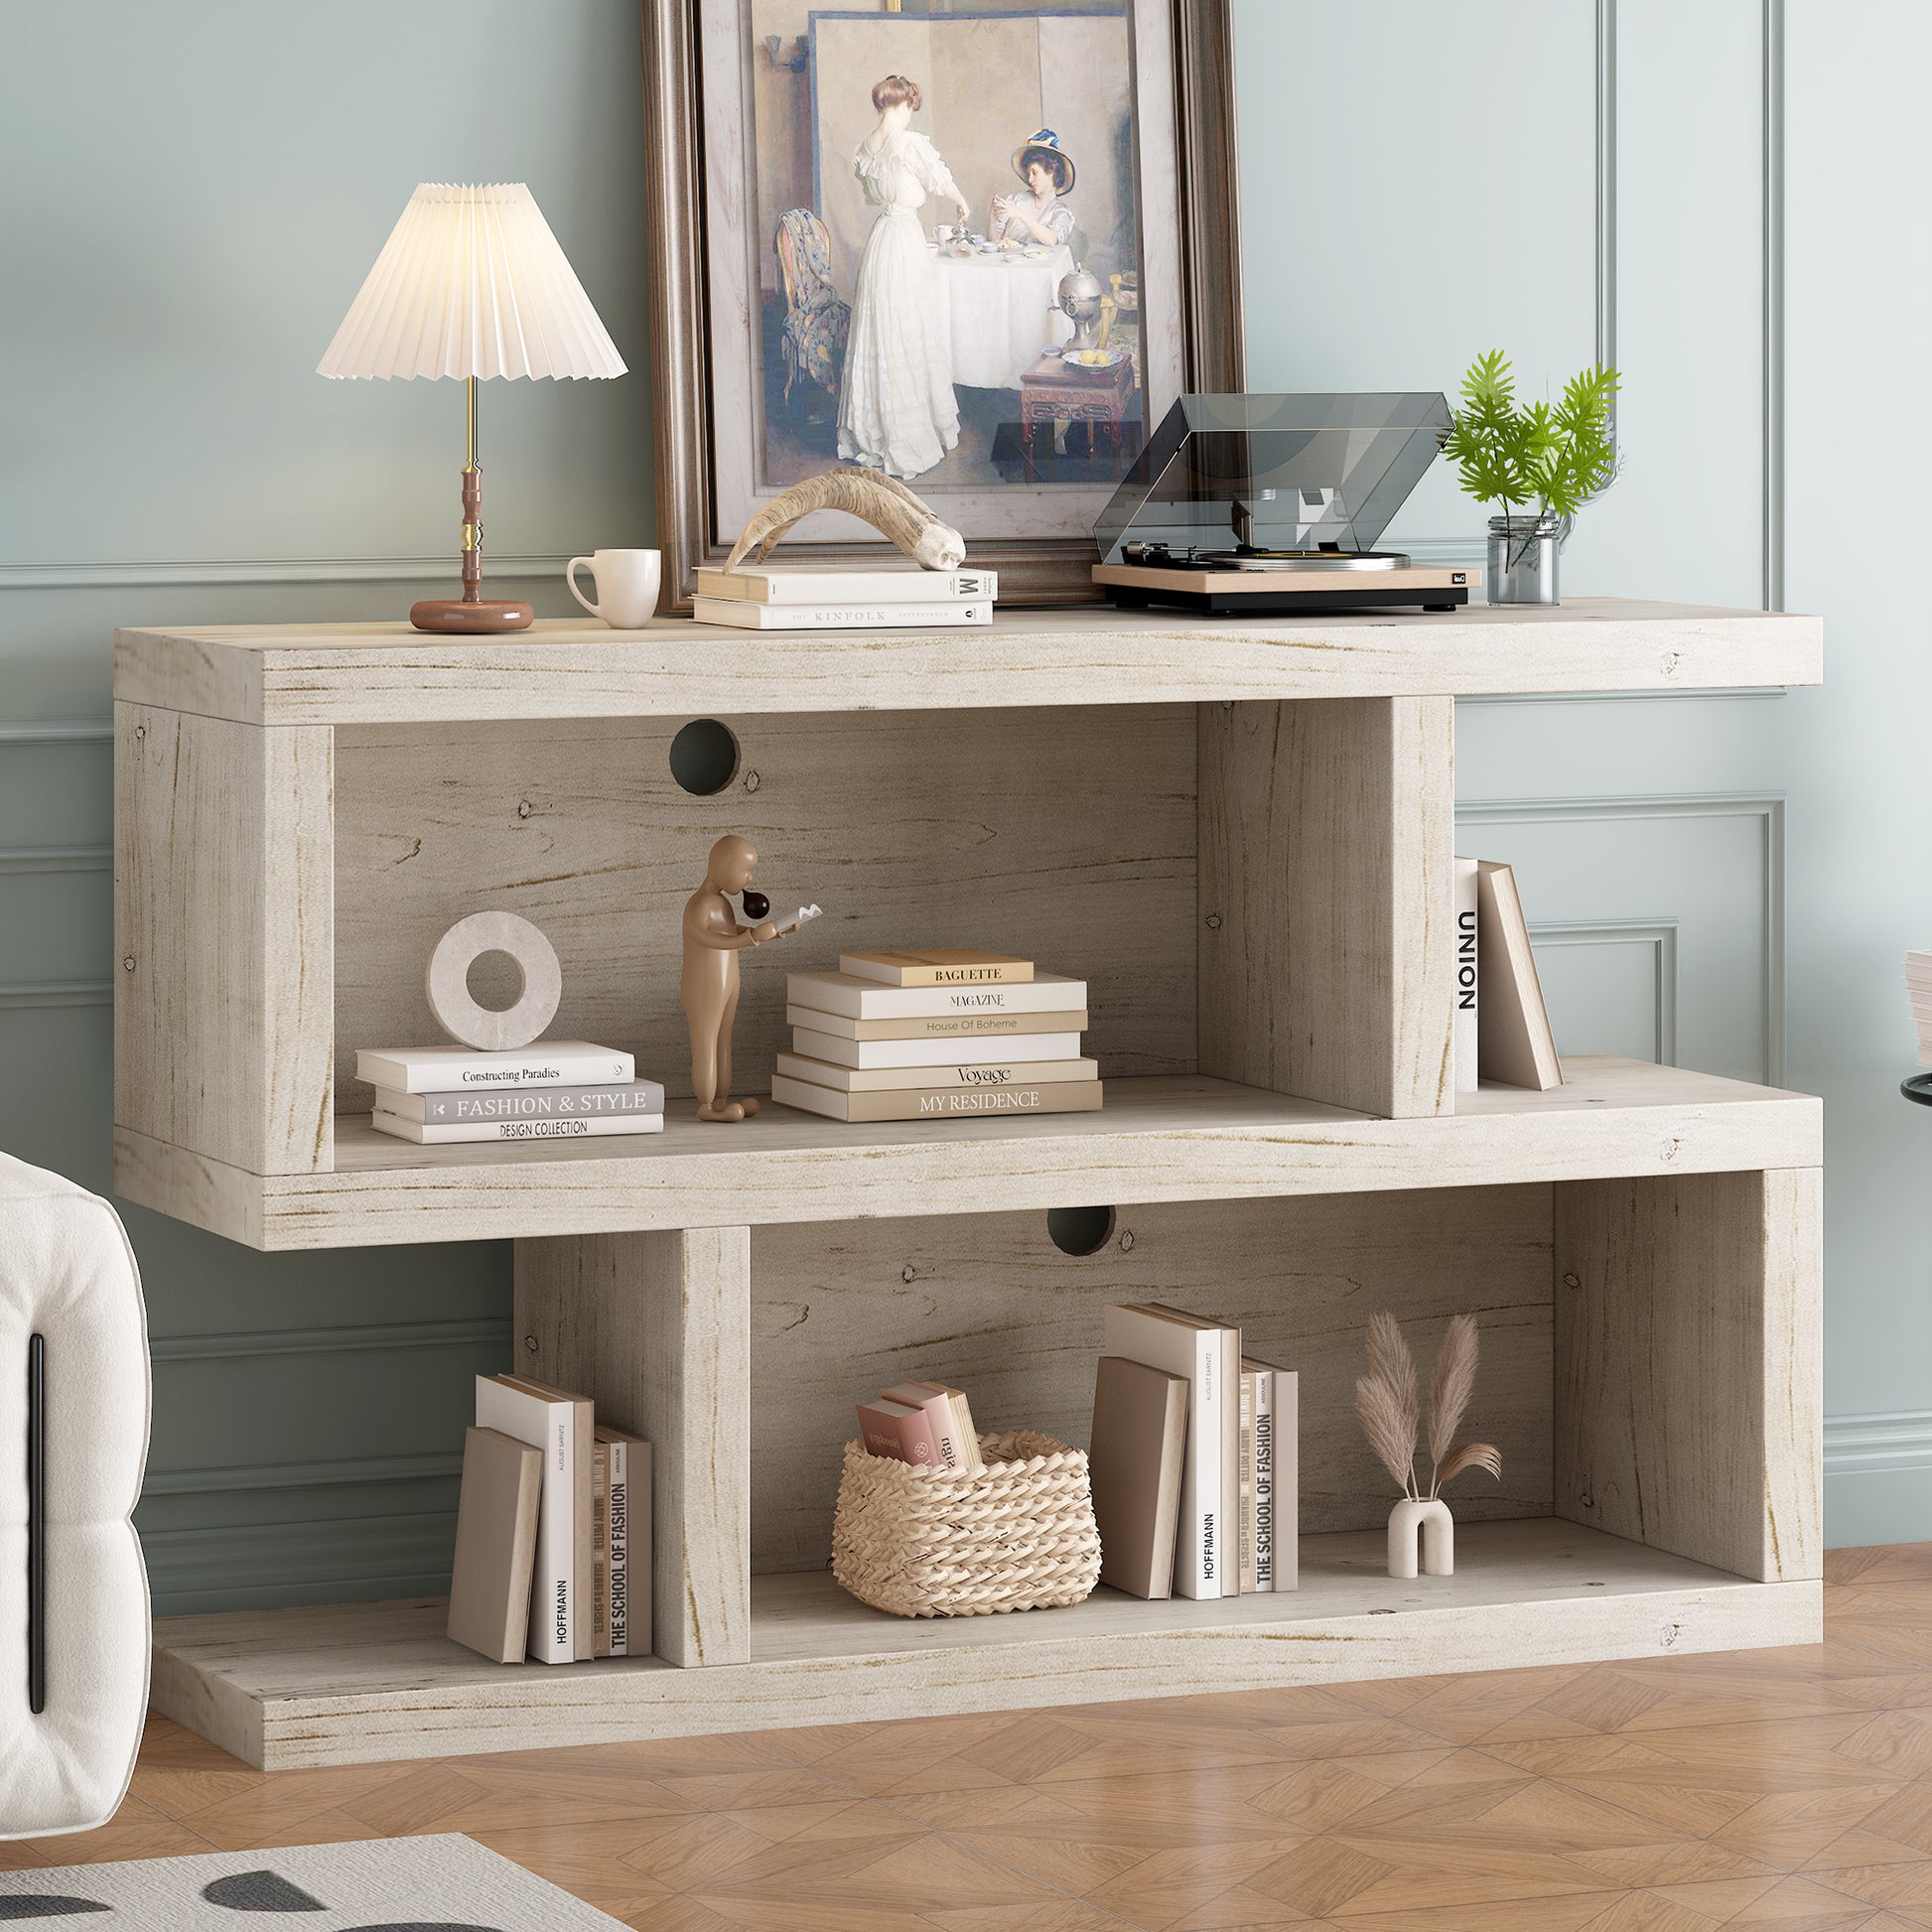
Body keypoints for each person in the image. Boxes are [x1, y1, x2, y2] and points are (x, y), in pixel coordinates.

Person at [838, 74, 972, 481]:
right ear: (902, 105)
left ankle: (873, 430)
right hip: (903, 240)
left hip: (880, 240)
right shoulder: (908, 143)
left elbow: (874, 194)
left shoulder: (866, 146)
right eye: (911, 106)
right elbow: (938, 180)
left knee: (881, 329)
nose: (912, 114)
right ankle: (907, 433)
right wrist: (961, 200)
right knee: (907, 327)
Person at [680, 834, 794, 1124]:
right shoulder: (699, 904)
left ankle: (721, 1099)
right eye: (745, 870)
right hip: (703, 985)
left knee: (724, 1040)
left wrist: (772, 932)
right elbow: (708, 938)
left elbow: (728, 931)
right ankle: (705, 1103)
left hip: (728, 980)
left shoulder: (722, 904)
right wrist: (752, 937)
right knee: (706, 1040)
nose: (750, 878)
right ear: (723, 866)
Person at [991, 128, 1076, 249]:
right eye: (1029, 173)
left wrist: (1021, 214)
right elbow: (994, 242)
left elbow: (1051, 240)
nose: (1030, 179)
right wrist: (992, 216)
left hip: (1041, 267)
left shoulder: (1060, 212)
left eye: (1034, 173)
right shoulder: (1017, 200)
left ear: (1051, 172)